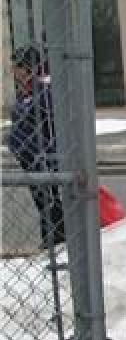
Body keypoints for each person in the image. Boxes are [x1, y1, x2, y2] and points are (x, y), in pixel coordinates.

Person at [8, 44, 64, 247]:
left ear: (28, 67)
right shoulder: (25, 90)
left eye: (17, 66)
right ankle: (51, 238)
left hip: (44, 154)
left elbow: (41, 120)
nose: (14, 71)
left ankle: (56, 238)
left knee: (49, 198)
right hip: (29, 155)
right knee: (41, 199)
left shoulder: (43, 89)